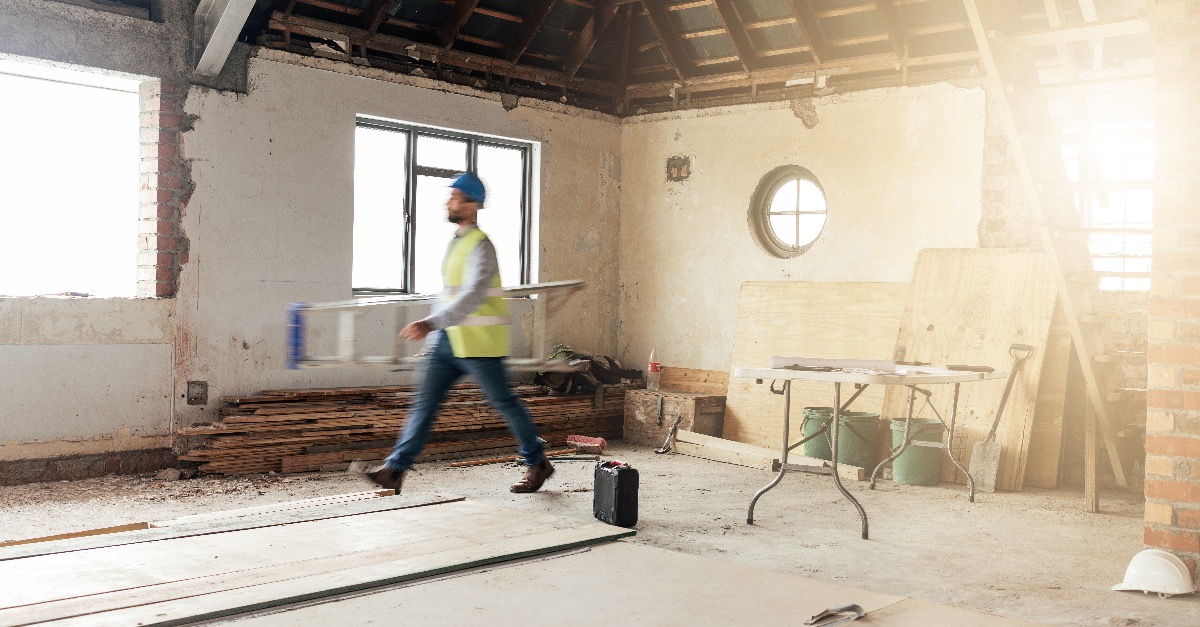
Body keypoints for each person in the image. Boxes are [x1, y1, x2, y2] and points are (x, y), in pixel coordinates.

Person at [360, 172, 554, 494]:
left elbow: (473, 294)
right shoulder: (457, 243)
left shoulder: (482, 246)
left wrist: (430, 323)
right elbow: (449, 293)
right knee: (424, 404)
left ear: (472, 204)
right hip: (449, 341)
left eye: (455, 197)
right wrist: (436, 334)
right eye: (451, 196)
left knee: (505, 403)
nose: (449, 202)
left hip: (480, 345)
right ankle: (394, 470)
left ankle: (537, 462)